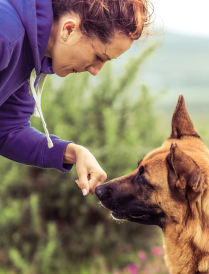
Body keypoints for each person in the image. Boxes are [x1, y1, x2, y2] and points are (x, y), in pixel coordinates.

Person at [0, 0, 153, 195]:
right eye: (99, 57)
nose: (95, 71)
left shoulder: (32, 51)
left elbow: (7, 130)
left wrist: (74, 152)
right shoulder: (5, 33)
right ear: (69, 29)